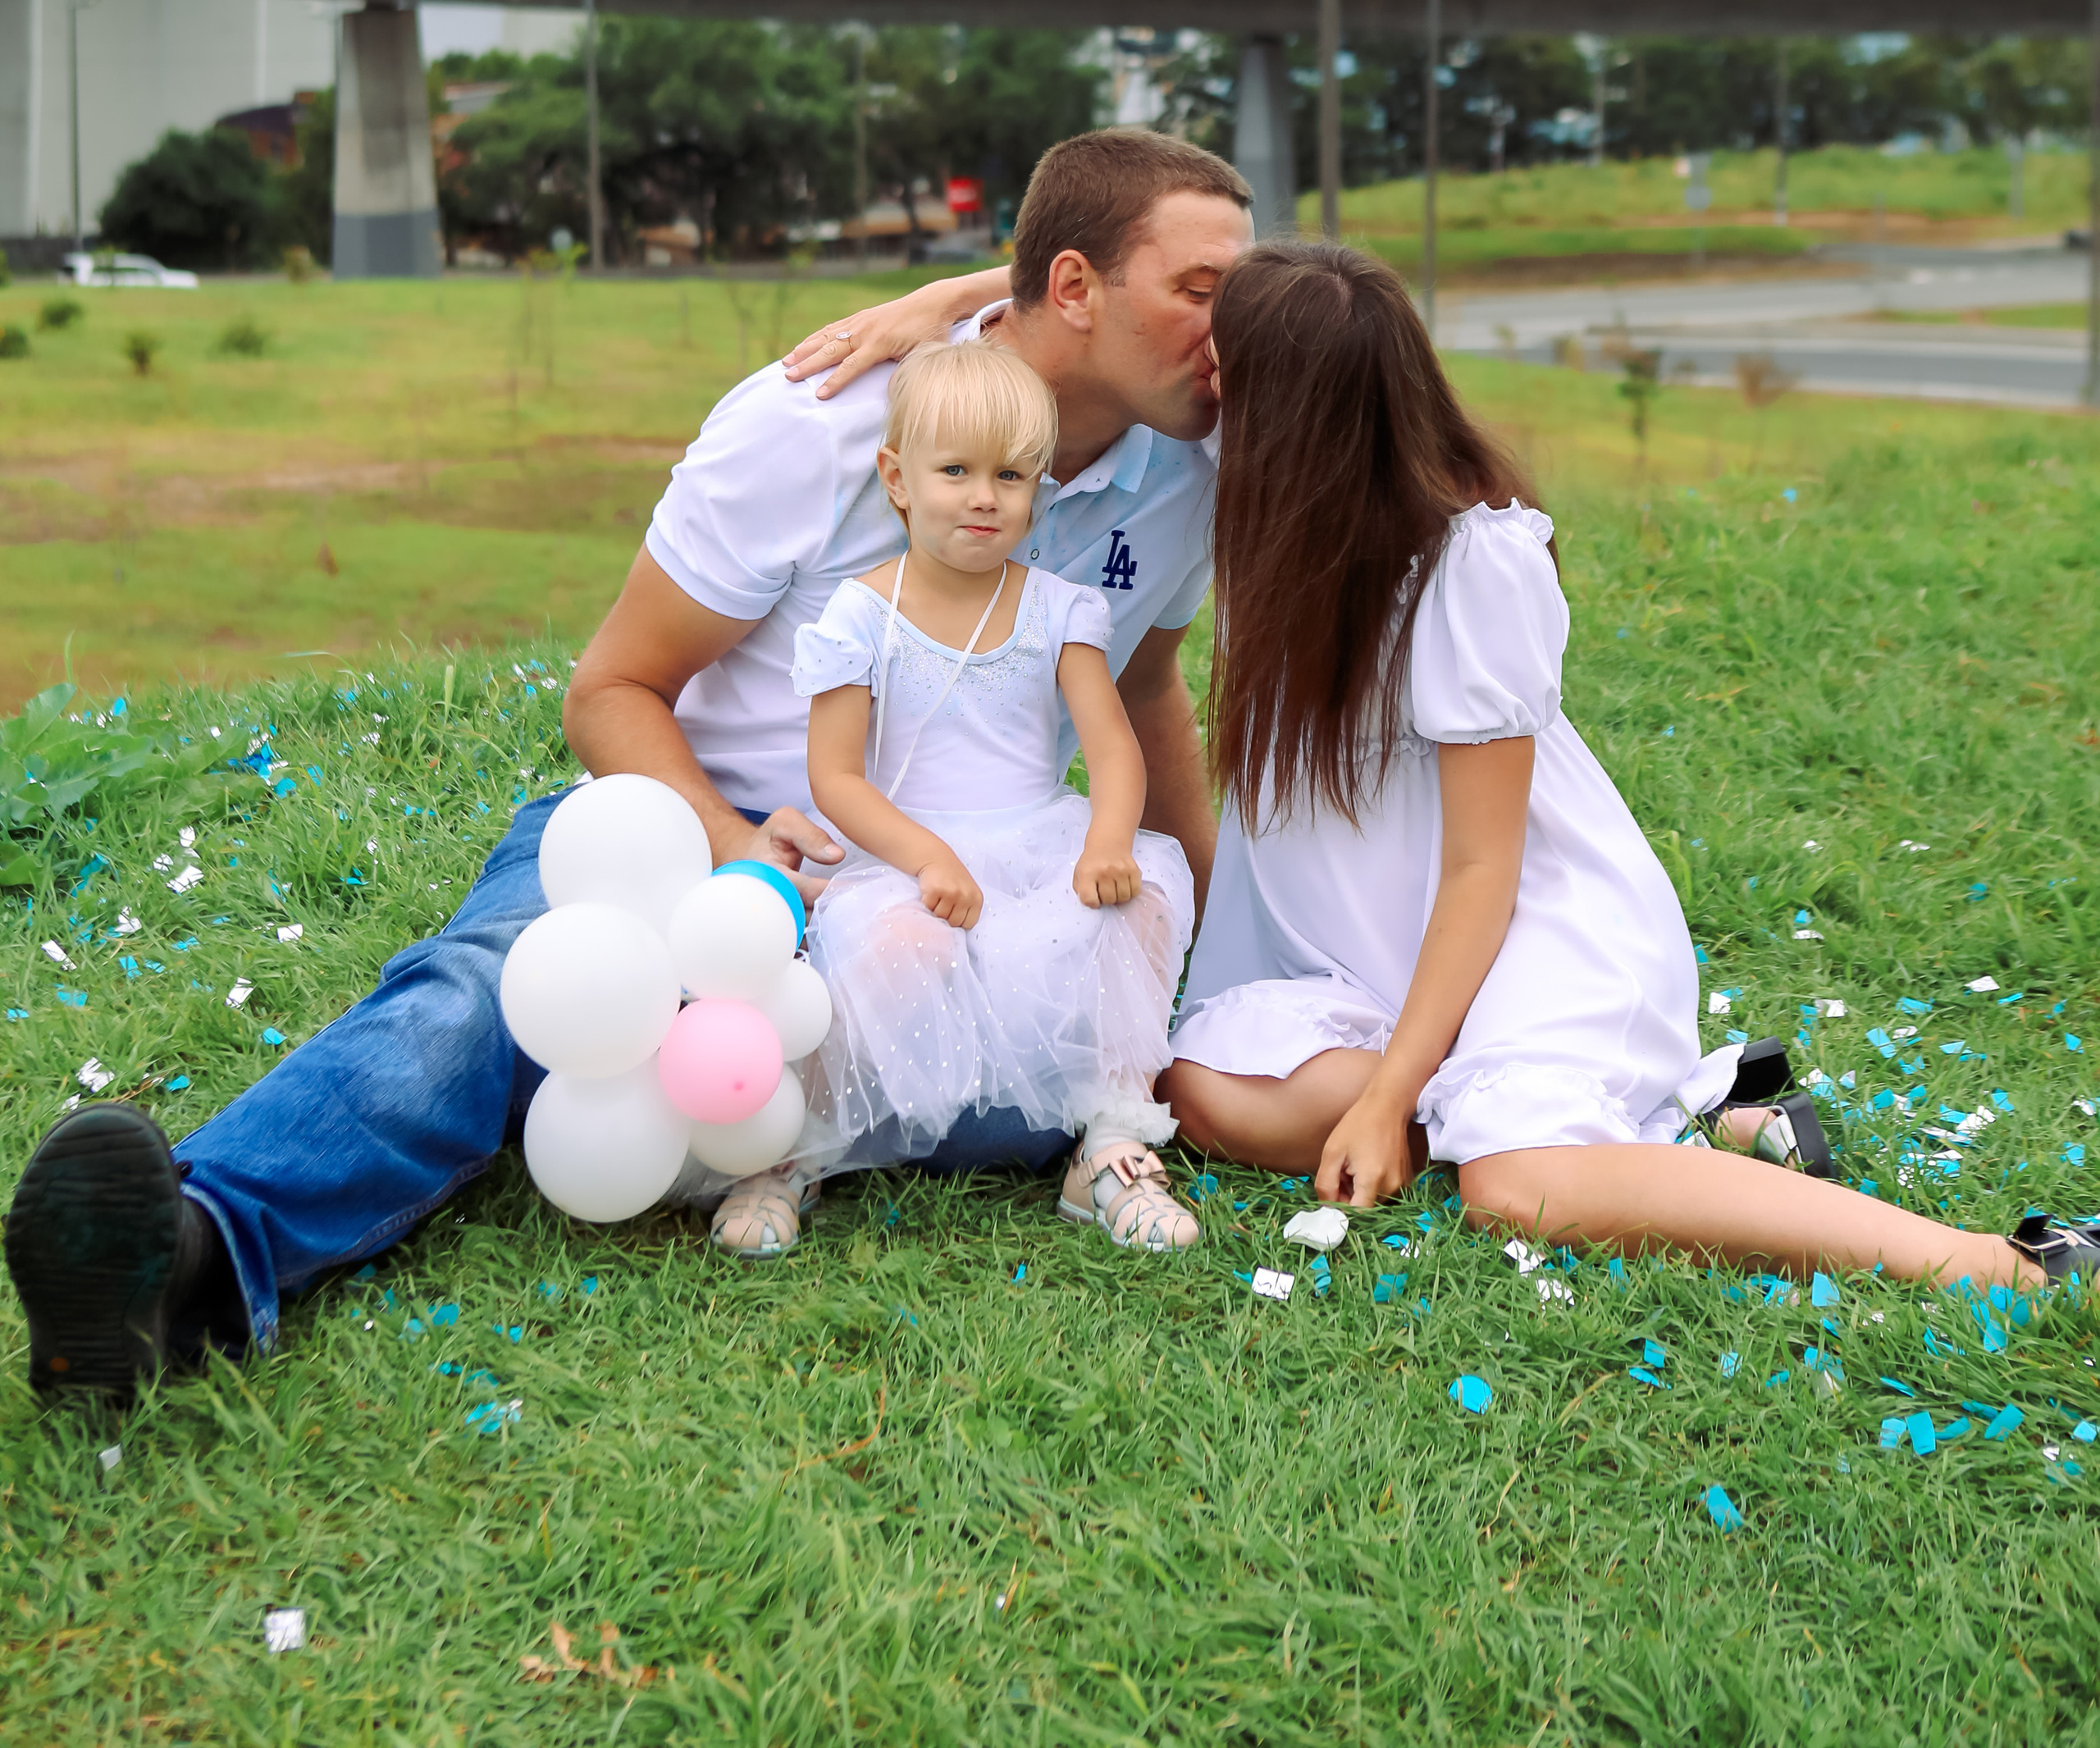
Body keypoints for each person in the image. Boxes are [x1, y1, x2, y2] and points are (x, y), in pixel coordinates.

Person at [4, 130, 1250, 1394]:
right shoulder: (817, 428)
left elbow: (1143, 687)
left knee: (1051, 1051)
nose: (1229, 327)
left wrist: (1211, 937)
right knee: (491, 995)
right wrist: (733, 848)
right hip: (690, 836)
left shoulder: (1181, 471)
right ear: (1078, 289)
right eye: (1203, 293)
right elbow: (612, 688)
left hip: (940, 885)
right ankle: (190, 1254)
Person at [1162, 240, 2099, 1294]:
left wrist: (1385, 1098)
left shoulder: (1468, 562)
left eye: (1223, 352)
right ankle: (1667, 1125)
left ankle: (2004, 1262)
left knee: (1511, 1187)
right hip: (1369, 960)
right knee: (1202, 1088)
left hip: (1527, 929)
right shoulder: (1257, 491)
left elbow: (1483, 869)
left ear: (1292, 409)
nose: (1201, 366)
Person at [778, 337, 1198, 1255]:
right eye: (956, 471)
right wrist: (925, 858)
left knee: (1140, 904)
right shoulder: (860, 615)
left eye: (1010, 477)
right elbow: (836, 776)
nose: (983, 497)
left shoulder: (1058, 608)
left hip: (1040, 833)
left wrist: (1109, 841)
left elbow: (1113, 751)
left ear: (1037, 489)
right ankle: (791, 1153)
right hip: (912, 843)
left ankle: (1111, 1144)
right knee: (890, 938)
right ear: (896, 477)